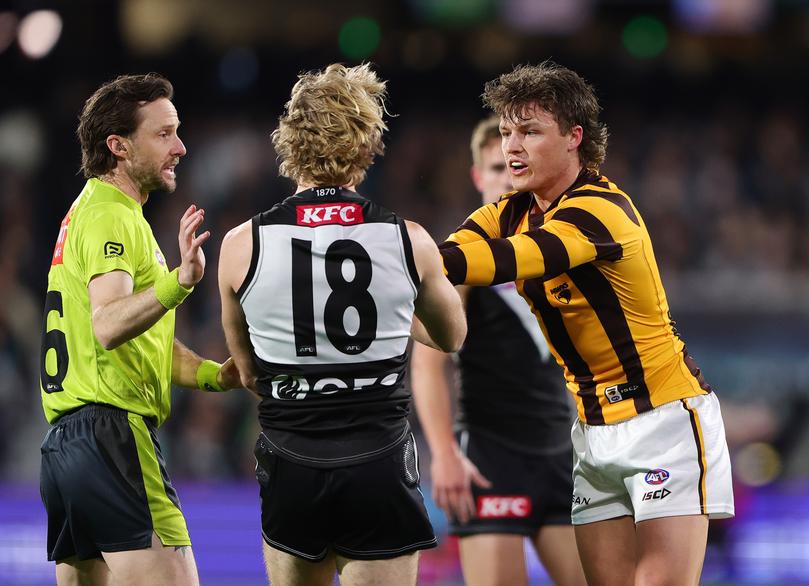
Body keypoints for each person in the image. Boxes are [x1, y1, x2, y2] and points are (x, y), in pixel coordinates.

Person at [438, 61, 735, 585]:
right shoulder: (510, 211)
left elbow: (488, 264)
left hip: (663, 419)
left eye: (530, 132)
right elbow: (446, 257)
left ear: (575, 138)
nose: (512, 148)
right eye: (507, 132)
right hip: (592, 433)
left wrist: (392, 251)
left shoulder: (601, 210)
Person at [218, 63, 466, 586]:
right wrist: (397, 322)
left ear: (290, 142)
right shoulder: (410, 241)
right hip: (379, 463)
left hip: (292, 460)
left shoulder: (241, 245)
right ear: (367, 145)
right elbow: (452, 336)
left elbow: (247, 372)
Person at [39, 73, 241, 586]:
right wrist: (182, 281)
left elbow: (139, 339)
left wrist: (216, 376)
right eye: (164, 133)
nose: (181, 146)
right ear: (119, 146)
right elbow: (109, 325)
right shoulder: (113, 216)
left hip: (68, 445)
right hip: (112, 437)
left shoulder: (88, 212)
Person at [410, 116, 586, 586]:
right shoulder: (461, 258)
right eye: (495, 168)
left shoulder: (558, 251)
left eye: (514, 168)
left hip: (560, 455)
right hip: (491, 459)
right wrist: (444, 453)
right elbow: (427, 363)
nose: (507, 181)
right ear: (476, 177)